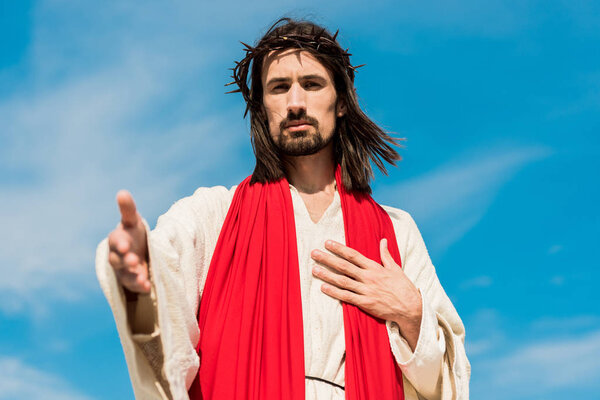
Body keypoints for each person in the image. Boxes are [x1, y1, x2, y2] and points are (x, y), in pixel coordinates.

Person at [96, 18, 470, 400]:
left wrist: (412, 314)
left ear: (341, 102)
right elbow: (163, 305)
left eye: (311, 84)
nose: (295, 103)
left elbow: (444, 381)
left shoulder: (396, 232)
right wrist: (140, 274)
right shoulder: (214, 215)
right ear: (262, 106)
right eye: (279, 88)